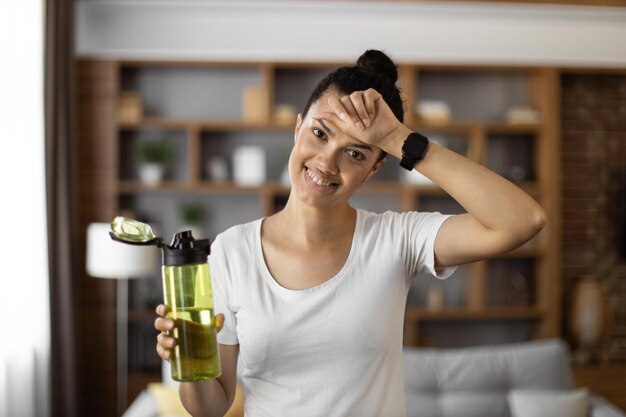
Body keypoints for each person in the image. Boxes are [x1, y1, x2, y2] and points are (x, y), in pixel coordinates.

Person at [154, 50, 546, 417]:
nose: (326, 163)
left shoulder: (396, 240)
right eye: (320, 134)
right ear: (296, 127)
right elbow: (210, 408)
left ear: (375, 168)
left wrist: (398, 140)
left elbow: (522, 220)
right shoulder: (231, 251)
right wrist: (188, 362)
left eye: (356, 153)